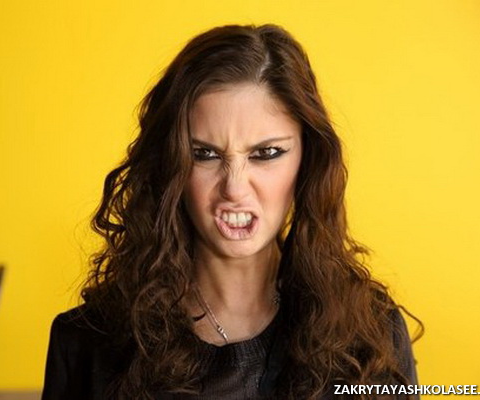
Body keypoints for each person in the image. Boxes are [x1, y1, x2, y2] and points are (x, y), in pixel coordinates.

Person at [41, 23, 423, 400]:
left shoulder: (372, 338)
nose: (234, 188)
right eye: (204, 154)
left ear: (308, 160)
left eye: (266, 153)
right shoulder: (87, 345)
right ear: (169, 164)